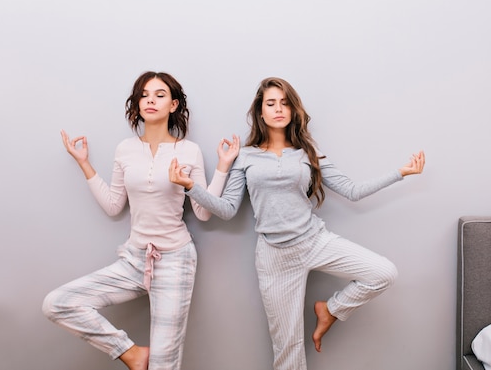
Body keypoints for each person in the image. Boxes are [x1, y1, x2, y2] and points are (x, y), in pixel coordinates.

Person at [169, 76, 425, 370]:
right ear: (260, 111)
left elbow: (352, 191)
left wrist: (400, 173)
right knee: (288, 349)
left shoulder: (309, 153)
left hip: (314, 241)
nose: (279, 108)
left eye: (285, 103)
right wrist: (190, 186)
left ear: (293, 110)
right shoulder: (246, 157)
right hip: (274, 258)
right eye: (271, 103)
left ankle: (330, 310)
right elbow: (227, 209)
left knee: (383, 272)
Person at [42, 71, 239, 370]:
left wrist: (218, 170)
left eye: (160, 95)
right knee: (57, 303)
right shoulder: (125, 149)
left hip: (175, 260)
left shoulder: (188, 150)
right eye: (144, 95)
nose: (150, 100)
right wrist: (84, 163)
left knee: (164, 364)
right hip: (134, 259)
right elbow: (113, 206)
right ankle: (131, 353)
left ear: (173, 105)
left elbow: (203, 213)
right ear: (136, 104)